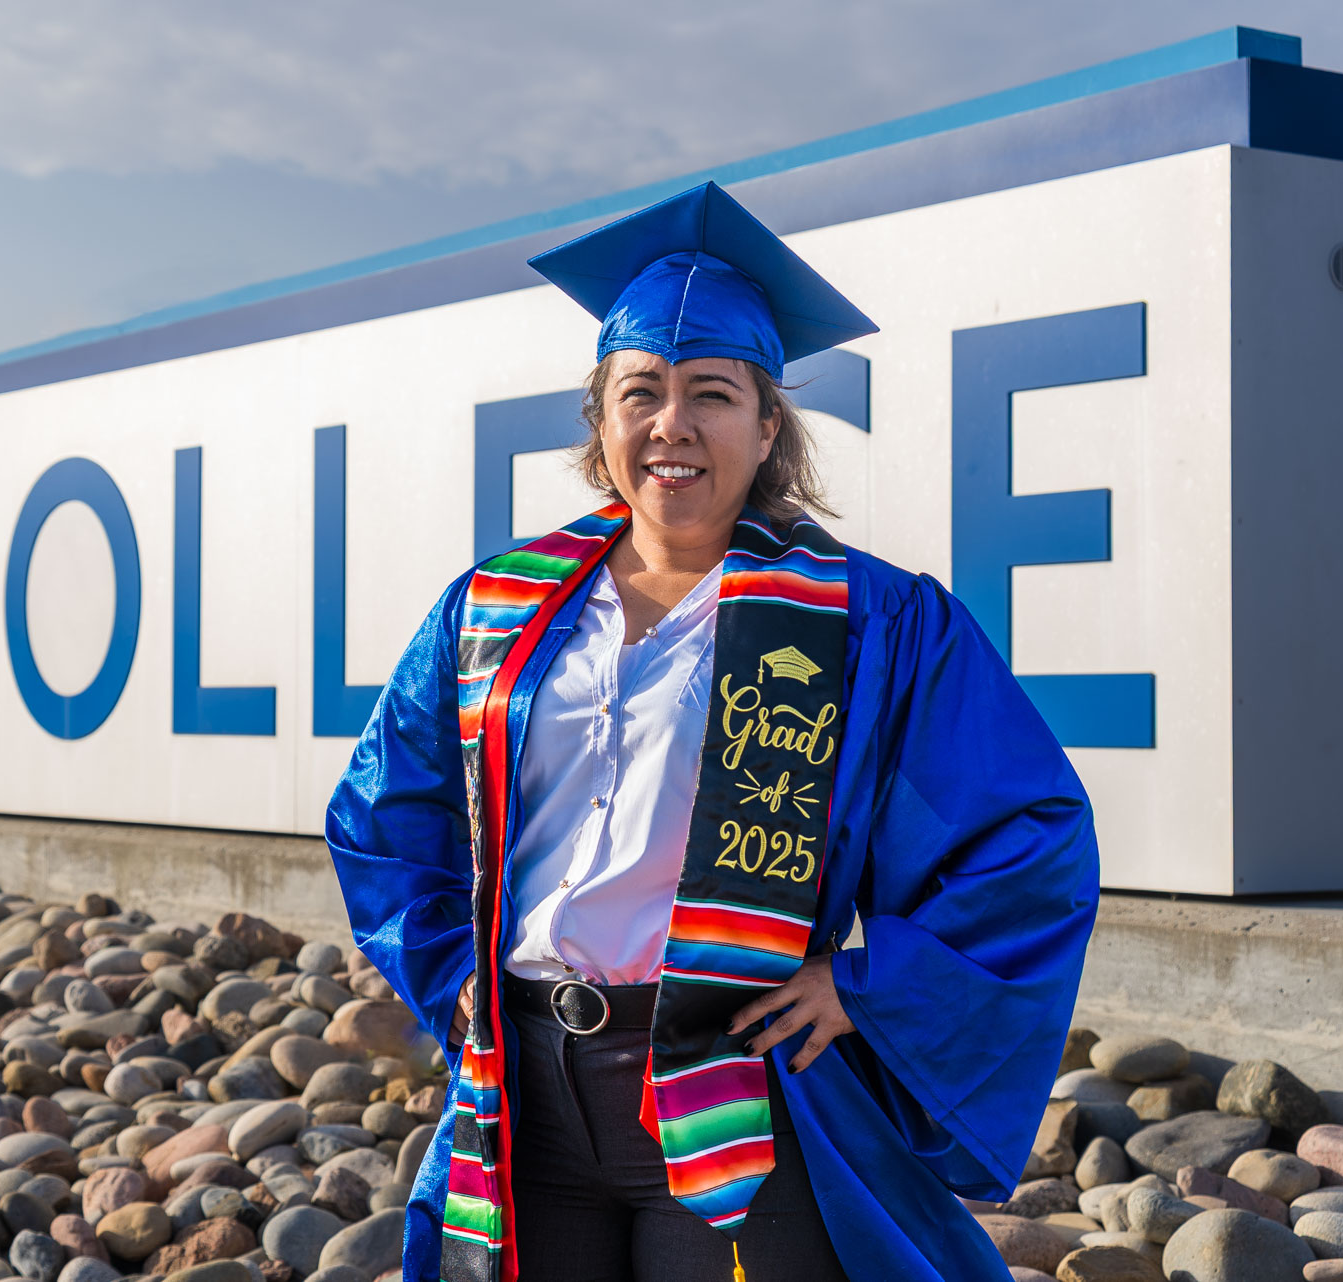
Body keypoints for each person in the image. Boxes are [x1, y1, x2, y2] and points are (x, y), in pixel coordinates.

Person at [325, 181, 1099, 1282]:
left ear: (767, 423)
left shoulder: (872, 620)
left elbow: (1031, 833)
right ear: (600, 418)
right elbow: (384, 812)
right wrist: (448, 966)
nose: (672, 424)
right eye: (640, 392)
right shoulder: (493, 610)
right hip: (525, 1083)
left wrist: (866, 980)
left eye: (713, 394)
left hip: (725, 1076)